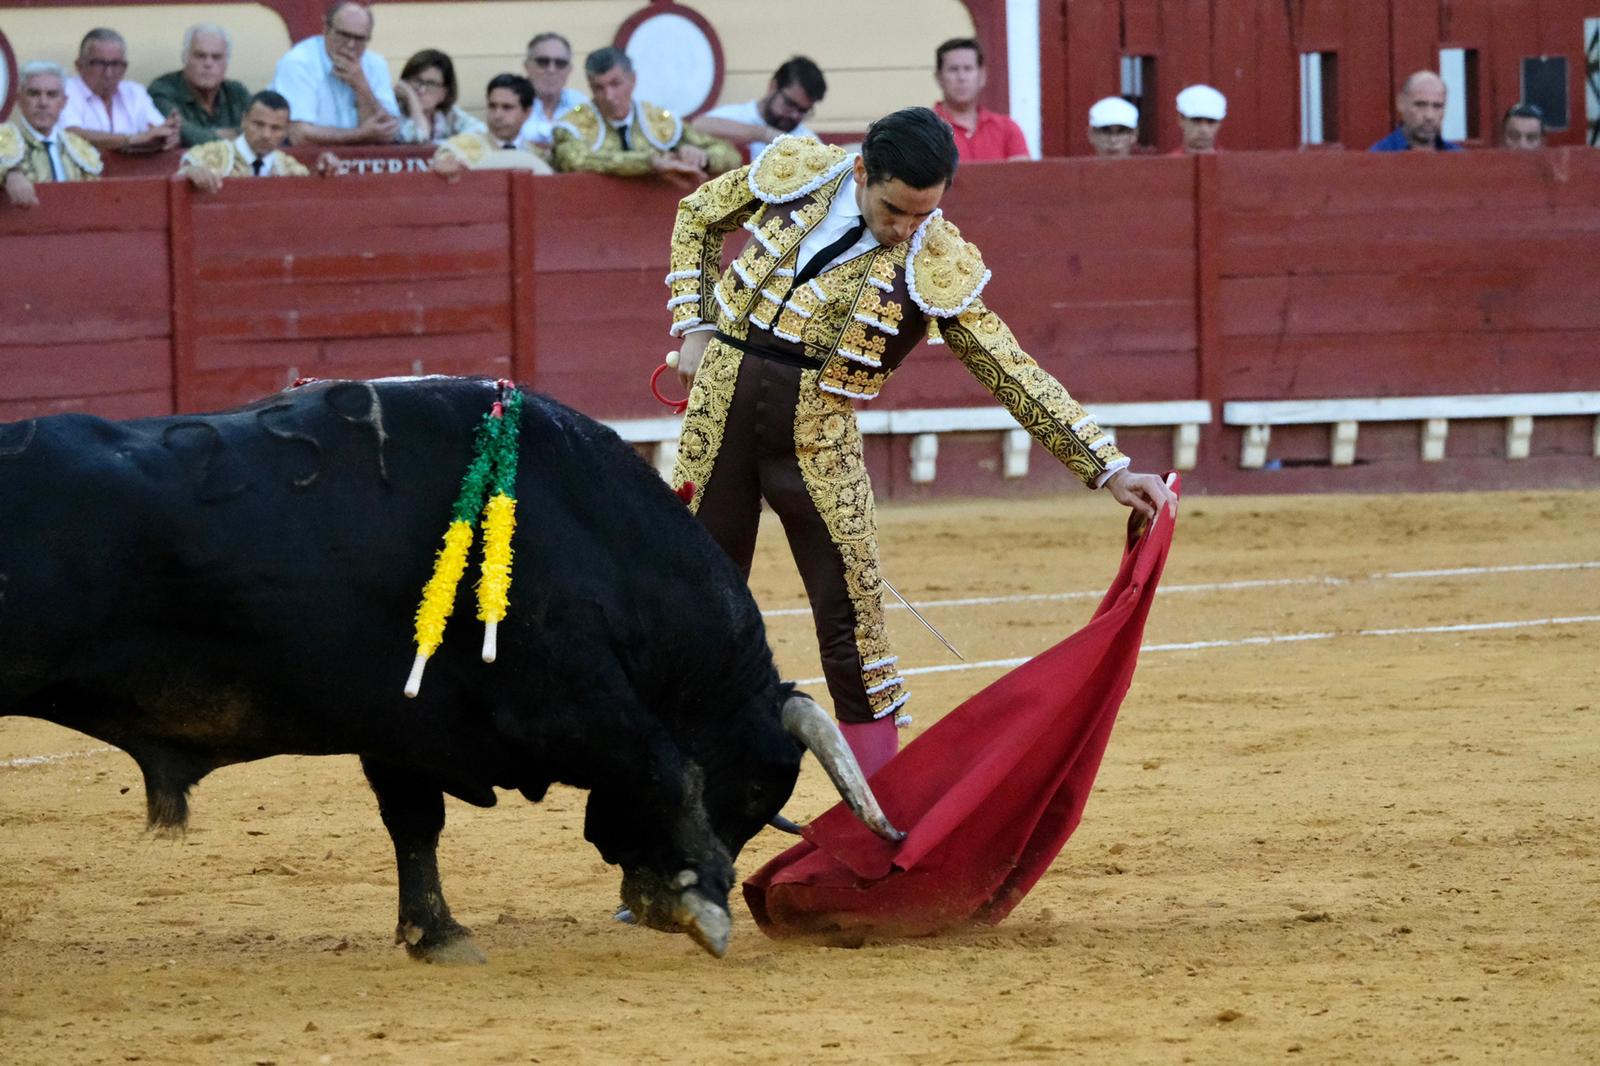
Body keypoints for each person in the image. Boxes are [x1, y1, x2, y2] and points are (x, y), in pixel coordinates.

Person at [662, 110, 1175, 774]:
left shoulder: (934, 258)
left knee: (854, 627)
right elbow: (697, 215)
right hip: (719, 406)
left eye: (923, 214)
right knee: (692, 600)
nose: (905, 228)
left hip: (816, 439)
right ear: (862, 170)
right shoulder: (798, 173)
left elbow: (1008, 367)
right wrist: (695, 323)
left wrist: (1107, 467)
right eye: (895, 210)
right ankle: (676, 783)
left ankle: (874, 805)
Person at [551, 47, 739, 181]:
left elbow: (730, 155)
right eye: (598, 88)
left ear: (632, 80)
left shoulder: (658, 121)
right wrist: (652, 162)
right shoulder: (572, 125)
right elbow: (575, 160)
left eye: (616, 84)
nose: (609, 96)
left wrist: (702, 158)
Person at [271, 0, 401, 145]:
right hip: (307, 160)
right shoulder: (298, 62)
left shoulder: (376, 64)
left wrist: (361, 86)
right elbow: (299, 135)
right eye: (344, 35)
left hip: (363, 161)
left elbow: (389, 133)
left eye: (359, 39)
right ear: (326, 29)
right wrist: (360, 134)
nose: (351, 45)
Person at [61, 28, 181, 155]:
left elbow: (155, 131)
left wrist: (168, 134)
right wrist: (131, 140)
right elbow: (71, 134)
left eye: (116, 64)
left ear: (125, 67)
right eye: (99, 64)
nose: (108, 73)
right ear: (79, 65)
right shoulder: (65, 91)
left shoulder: (134, 92)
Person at [2, 62, 102, 209]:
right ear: (19, 99)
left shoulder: (78, 149)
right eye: (34, 93)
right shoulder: (3, 139)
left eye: (52, 95)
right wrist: (9, 173)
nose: (43, 103)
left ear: (63, 102)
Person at [176, 90, 317, 191]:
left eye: (275, 128)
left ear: (286, 130)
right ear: (244, 120)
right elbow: (183, 172)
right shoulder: (214, 154)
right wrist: (192, 171)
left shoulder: (291, 168)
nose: (266, 135)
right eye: (258, 124)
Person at [694, 56, 825, 160]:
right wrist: (765, 134)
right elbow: (699, 126)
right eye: (790, 104)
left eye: (803, 111)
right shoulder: (739, 114)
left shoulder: (807, 139)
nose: (795, 115)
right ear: (773, 86)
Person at [148, 24, 252, 147]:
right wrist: (232, 135)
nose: (208, 64)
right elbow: (181, 132)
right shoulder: (162, 89)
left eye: (216, 57)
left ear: (226, 63)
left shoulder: (236, 92)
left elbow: (259, 130)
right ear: (185, 58)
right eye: (200, 56)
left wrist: (202, 136)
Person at [431, 74, 553, 176]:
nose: (497, 115)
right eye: (492, 106)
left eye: (507, 107)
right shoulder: (458, 149)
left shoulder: (540, 156)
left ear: (527, 113)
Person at [931, 38, 1029, 162]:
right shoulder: (921, 130)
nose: (961, 77)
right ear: (939, 78)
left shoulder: (1008, 129)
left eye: (968, 69)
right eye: (953, 69)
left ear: (982, 76)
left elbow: (1023, 178)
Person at [395, 49, 486, 143]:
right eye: (416, 81)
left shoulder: (449, 115)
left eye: (430, 84)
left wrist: (450, 146)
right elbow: (420, 139)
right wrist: (414, 105)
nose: (421, 90)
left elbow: (481, 132)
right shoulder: (393, 115)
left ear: (444, 93)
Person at [518, 32, 584, 153]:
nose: (551, 70)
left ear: (569, 70)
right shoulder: (513, 103)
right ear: (527, 66)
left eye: (560, 63)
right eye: (543, 62)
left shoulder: (579, 104)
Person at [1371, 70, 1461, 152]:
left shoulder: (1459, 158)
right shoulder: (1379, 156)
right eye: (1420, 105)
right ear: (1400, 103)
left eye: (1437, 106)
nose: (1429, 116)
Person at [1173, 84, 1225, 154]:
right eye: (1196, 120)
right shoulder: (1165, 164)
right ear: (1181, 119)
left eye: (1211, 121)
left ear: (1219, 124)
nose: (1204, 130)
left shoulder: (1233, 164)